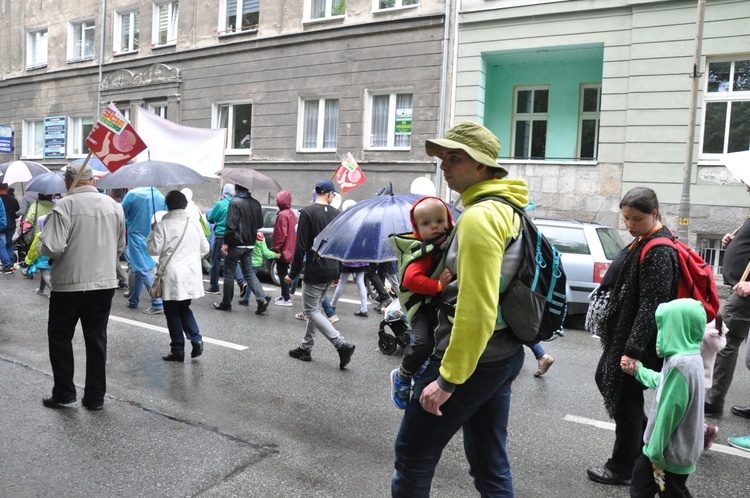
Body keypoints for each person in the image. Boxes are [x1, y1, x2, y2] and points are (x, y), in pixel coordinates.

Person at [392, 121, 528, 497]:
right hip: (503, 354)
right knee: (489, 462)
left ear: (482, 166)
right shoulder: (508, 207)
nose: (444, 166)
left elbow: (477, 305)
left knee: (412, 457)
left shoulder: (480, 217)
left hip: (470, 361)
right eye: (442, 157)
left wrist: (448, 379)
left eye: (454, 158)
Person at [586, 186, 680, 486]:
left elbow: (653, 304)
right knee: (623, 398)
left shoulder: (660, 249)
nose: (629, 225)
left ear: (655, 213)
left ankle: (622, 467)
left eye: (636, 219)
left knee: (624, 401)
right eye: (625, 218)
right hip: (625, 336)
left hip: (635, 341)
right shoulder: (644, 240)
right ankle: (644, 454)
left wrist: (633, 350)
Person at [38, 162, 125, 411]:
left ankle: (64, 392)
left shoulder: (65, 205)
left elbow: (53, 247)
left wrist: (42, 242)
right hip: (104, 281)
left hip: (69, 282)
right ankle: (95, 397)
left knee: (60, 337)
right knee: (96, 339)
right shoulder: (114, 206)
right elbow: (119, 246)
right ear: (93, 181)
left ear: (67, 182)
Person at [622, 299, 706, 498]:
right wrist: (639, 371)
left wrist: (656, 454)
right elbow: (664, 383)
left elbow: (669, 414)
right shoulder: (690, 356)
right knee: (653, 490)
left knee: (659, 492)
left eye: (664, 326)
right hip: (673, 450)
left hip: (665, 453)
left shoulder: (679, 365)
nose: (660, 334)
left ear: (676, 328)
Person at [389, 196, 454, 410]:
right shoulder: (422, 252)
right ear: (417, 229)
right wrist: (438, 285)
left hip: (434, 305)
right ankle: (403, 374)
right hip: (419, 308)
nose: (434, 226)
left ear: (448, 221)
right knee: (423, 342)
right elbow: (410, 279)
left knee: (438, 341)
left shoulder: (447, 243)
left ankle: (418, 369)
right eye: (426, 223)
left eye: (439, 220)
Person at [286, 179, 355, 369]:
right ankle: (306, 348)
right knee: (314, 308)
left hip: (315, 268)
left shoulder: (307, 213)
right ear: (329, 194)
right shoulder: (336, 214)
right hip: (331, 267)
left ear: (316, 192)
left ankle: (341, 344)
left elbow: (300, 248)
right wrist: (338, 271)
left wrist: (292, 273)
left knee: (311, 310)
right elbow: (341, 246)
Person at [147, 190, 210, 362]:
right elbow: (205, 249)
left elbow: (153, 249)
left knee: (172, 311)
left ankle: (177, 350)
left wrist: (153, 232)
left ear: (168, 206)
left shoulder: (162, 225)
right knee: (184, 307)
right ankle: (196, 339)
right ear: (184, 205)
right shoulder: (194, 224)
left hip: (172, 275)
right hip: (190, 274)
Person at [705, 192, 750, 418]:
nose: (748, 190)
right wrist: (734, 241)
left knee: (725, 342)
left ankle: (713, 402)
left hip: (745, 295)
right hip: (741, 290)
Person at [213, 182, 270, 315]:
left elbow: (231, 225)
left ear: (236, 189)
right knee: (248, 272)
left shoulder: (235, 202)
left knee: (229, 273)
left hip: (236, 243)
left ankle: (226, 303)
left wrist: (226, 242)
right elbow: (260, 223)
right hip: (250, 243)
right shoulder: (256, 203)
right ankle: (261, 299)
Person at [122, 187, 167, 314]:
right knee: (138, 269)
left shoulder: (132, 195)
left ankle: (157, 303)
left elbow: (121, 213)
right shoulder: (159, 195)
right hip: (153, 234)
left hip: (136, 235)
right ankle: (133, 300)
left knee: (142, 269)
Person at [206, 184, 247, 297]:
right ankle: (241, 281)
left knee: (215, 261)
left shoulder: (220, 204)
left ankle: (214, 286)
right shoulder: (238, 203)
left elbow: (210, 219)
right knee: (232, 260)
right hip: (233, 236)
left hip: (220, 236)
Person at [700, 313, 726, 449]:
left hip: (690, 378)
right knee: (693, 410)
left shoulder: (698, 324)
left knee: (686, 412)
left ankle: (704, 431)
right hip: (704, 379)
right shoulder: (713, 324)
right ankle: (705, 431)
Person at [272, 190, 297, 307]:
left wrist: (277, 248)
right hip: (291, 247)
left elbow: (281, 234)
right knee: (284, 271)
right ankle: (285, 294)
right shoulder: (291, 213)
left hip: (284, 249)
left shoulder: (282, 215)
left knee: (281, 272)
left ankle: (286, 297)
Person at [239, 231, 275, 307]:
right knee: (252, 280)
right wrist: (275, 255)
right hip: (258, 263)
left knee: (251, 281)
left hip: (250, 263)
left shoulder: (249, 235)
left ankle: (251, 298)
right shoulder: (261, 237)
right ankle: (247, 298)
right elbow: (265, 252)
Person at [0, 183, 20, 273]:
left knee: (2, 246)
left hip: (1, 226)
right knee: (9, 245)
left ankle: (7, 265)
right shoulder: (13, 200)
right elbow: (17, 212)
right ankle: (11, 263)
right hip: (11, 225)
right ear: (7, 188)